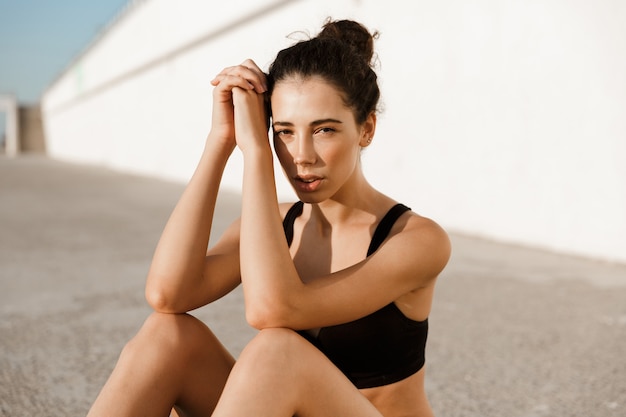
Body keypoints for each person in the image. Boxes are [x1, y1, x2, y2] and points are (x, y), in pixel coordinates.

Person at [86, 19, 450, 417]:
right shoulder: (278, 223)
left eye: (324, 130)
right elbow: (169, 294)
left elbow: (272, 311)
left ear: (366, 129)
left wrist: (257, 154)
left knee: (277, 351)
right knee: (166, 335)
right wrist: (221, 141)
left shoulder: (415, 239)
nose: (302, 156)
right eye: (284, 132)